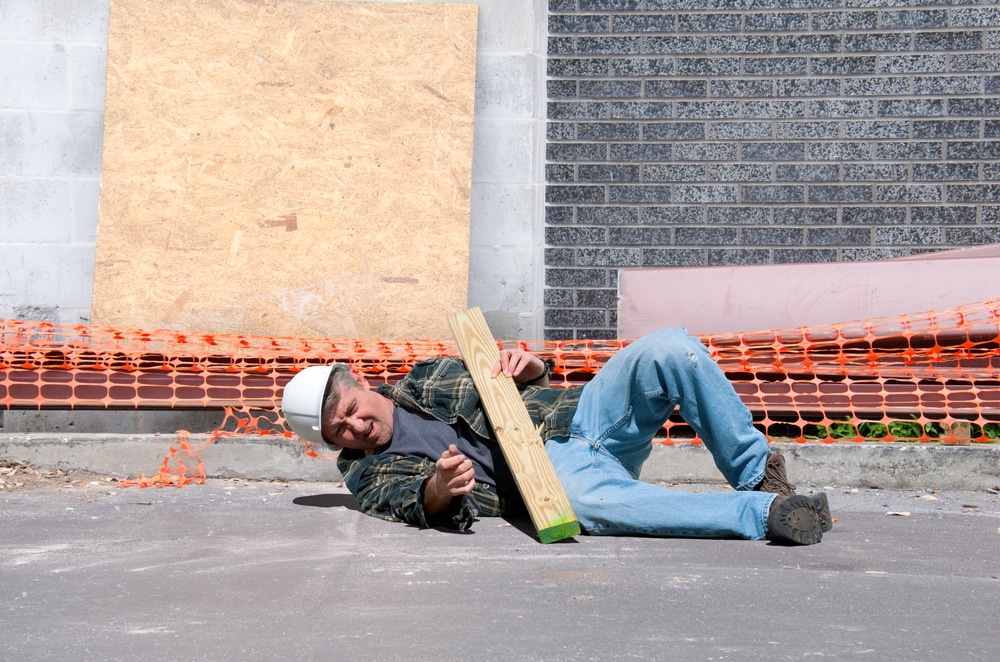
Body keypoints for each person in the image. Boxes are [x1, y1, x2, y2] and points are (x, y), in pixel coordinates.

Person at [281, 328, 831, 544]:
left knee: (667, 348)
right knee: (586, 504)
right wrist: (441, 489)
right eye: (341, 433)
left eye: (351, 410)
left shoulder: (426, 375)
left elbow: (520, 379)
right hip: (548, 481)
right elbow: (410, 502)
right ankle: (769, 515)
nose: (356, 427)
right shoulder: (365, 472)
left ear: (360, 382)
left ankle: (758, 477)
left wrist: (530, 367)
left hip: (583, 416)